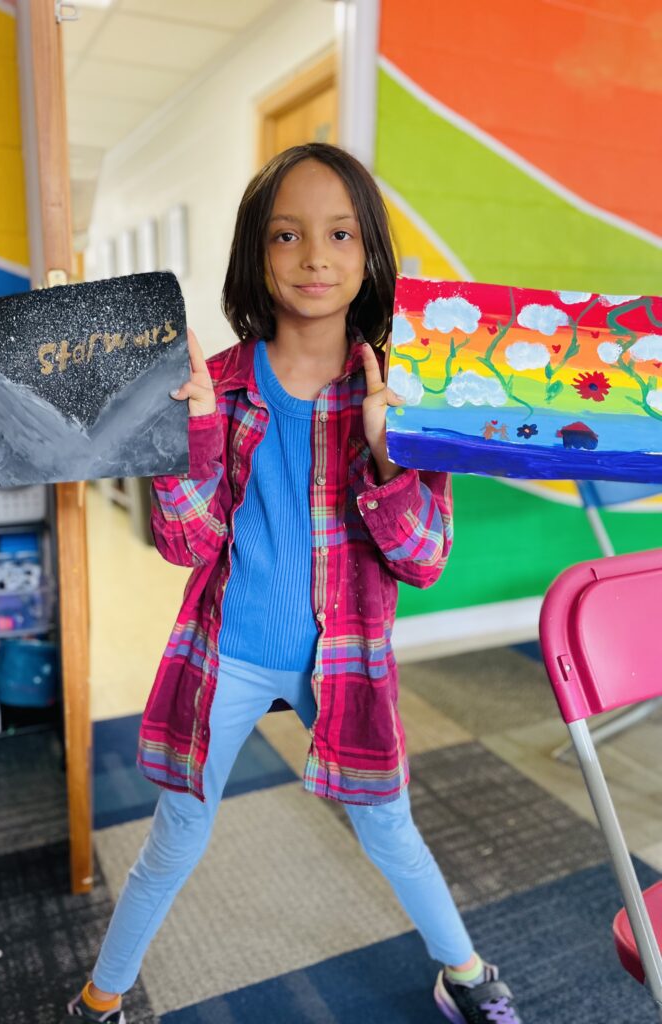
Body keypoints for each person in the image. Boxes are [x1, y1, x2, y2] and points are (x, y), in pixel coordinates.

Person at [65, 143, 523, 1024]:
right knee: (174, 838)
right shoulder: (220, 386)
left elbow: (423, 558)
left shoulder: (405, 394)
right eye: (287, 235)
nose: (315, 256)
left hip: (343, 661)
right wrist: (193, 431)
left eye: (341, 233)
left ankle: (465, 974)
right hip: (227, 654)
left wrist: (393, 458)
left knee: (389, 828)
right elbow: (185, 539)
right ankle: (102, 998)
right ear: (256, 253)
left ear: (370, 253)